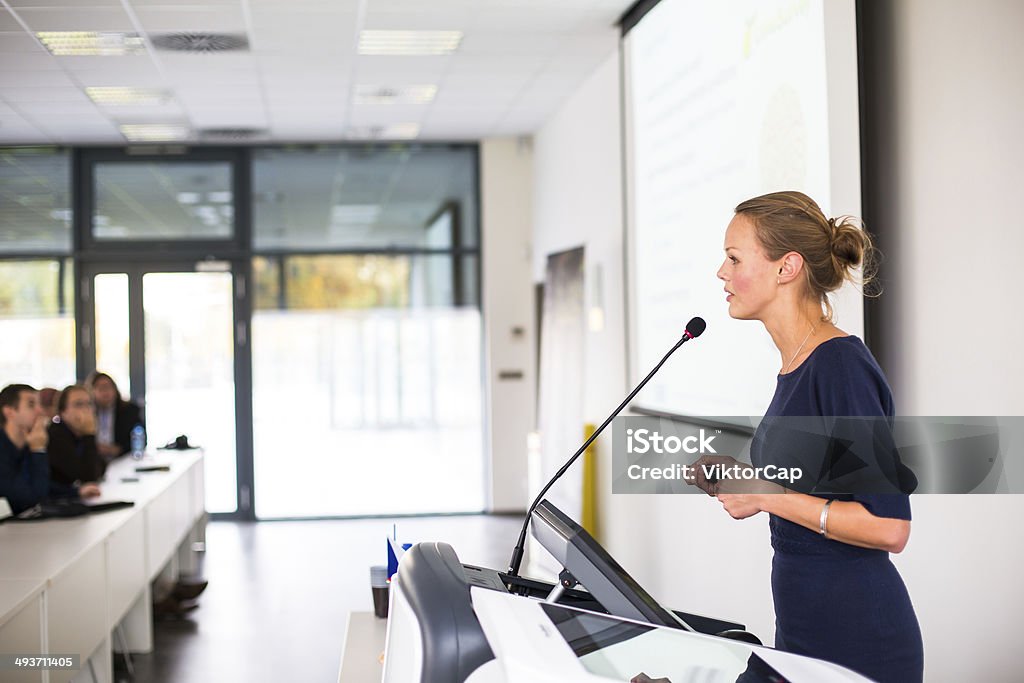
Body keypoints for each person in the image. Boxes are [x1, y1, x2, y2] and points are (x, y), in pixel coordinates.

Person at [692, 191, 923, 682]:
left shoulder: (839, 365)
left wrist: (765, 495)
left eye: (734, 258)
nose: (721, 273)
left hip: (857, 643)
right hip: (802, 633)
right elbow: (807, 489)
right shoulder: (797, 364)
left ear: (787, 267)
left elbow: (889, 527)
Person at [0, 383, 100, 515]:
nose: (40, 411)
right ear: (9, 412)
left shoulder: (26, 443)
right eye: (31, 405)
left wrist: (75, 492)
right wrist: (38, 450)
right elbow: (32, 498)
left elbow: (44, 485)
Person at [47, 385, 105, 487]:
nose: (86, 410)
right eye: (79, 404)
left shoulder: (79, 434)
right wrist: (89, 435)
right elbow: (88, 477)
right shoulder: (56, 435)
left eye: (89, 404)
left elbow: (101, 466)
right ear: (63, 412)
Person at [86, 371, 143, 462]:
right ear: (91, 391)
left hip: (122, 461)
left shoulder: (129, 410)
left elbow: (140, 440)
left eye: (108, 387)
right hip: (93, 461)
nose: (105, 392)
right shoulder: (86, 412)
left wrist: (117, 450)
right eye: (100, 388)